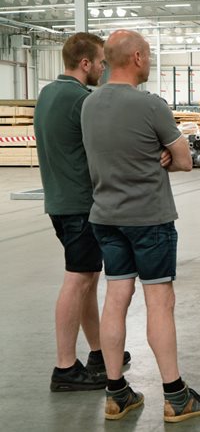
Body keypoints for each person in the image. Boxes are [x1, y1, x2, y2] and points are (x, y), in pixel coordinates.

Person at [81, 30, 200, 422]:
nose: (151, 61)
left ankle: (116, 393)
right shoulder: (150, 106)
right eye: (150, 55)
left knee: (116, 299)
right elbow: (186, 160)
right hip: (149, 219)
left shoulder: (88, 105)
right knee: (160, 302)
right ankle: (177, 396)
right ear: (137, 57)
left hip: (106, 217)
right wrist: (161, 156)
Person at [35, 32, 131, 391]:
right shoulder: (80, 100)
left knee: (88, 279)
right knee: (77, 280)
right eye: (101, 63)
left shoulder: (47, 94)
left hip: (59, 202)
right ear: (86, 63)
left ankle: (97, 353)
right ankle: (64, 368)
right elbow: (104, 149)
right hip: (79, 206)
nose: (104, 70)